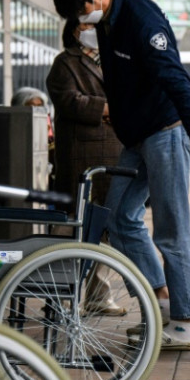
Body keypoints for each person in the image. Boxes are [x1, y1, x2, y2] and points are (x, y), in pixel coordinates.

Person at [51, 0, 190, 351]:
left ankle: (183, 320)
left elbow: (178, 80)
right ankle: (159, 302)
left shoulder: (142, 21)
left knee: (172, 232)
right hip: (136, 139)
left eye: (82, 16)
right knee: (120, 219)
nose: (83, 27)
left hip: (165, 133)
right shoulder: (107, 18)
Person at [46, 18, 127, 316]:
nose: (95, 30)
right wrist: (106, 109)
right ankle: (62, 297)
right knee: (73, 227)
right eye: (87, 25)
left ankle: (98, 296)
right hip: (80, 156)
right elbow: (68, 101)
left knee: (106, 226)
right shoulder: (65, 63)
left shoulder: (114, 59)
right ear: (75, 31)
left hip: (115, 153)